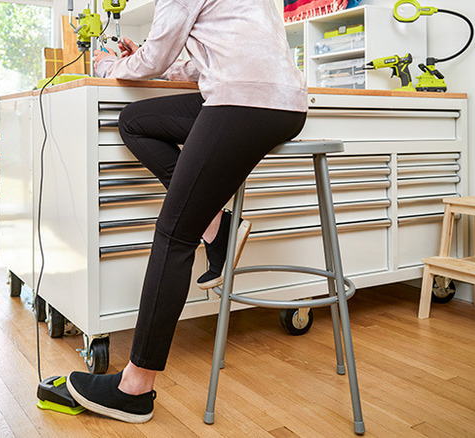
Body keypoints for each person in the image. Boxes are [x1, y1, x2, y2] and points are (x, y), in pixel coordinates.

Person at [65, 0, 308, 423]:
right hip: (284, 104)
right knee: (135, 121)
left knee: (174, 234)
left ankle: (134, 387)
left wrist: (109, 66)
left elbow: (156, 58)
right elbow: (201, 63)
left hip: (243, 103)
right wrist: (140, 59)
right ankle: (216, 225)